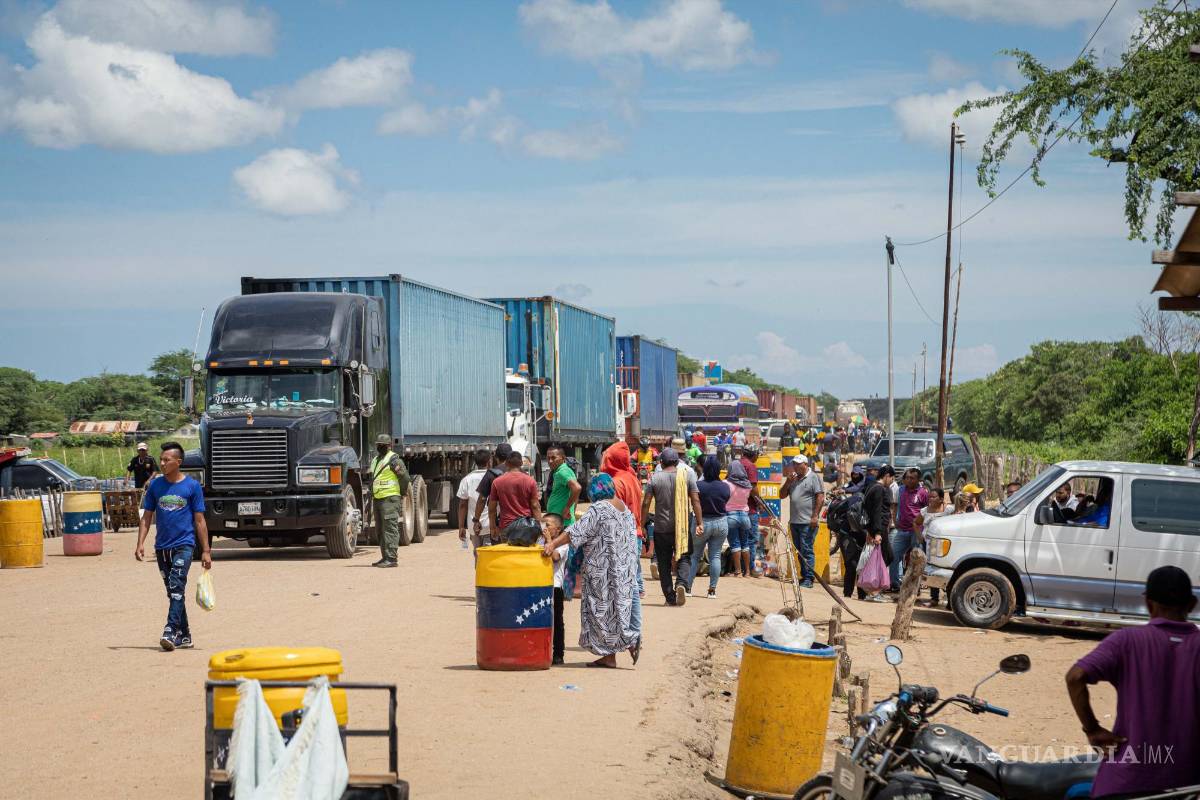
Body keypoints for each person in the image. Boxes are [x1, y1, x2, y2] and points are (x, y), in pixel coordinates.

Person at [1066, 565, 1200, 797]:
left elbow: (1075, 676)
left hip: (1125, 783)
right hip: (1187, 786)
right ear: (1191, 604)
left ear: (1148, 603)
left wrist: (1093, 729)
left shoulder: (1126, 641)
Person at [543, 474, 641, 668]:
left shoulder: (600, 508)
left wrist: (553, 543)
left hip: (602, 570)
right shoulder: (623, 508)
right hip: (622, 571)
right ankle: (609, 656)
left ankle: (628, 641)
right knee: (614, 612)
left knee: (599, 612)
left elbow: (575, 531)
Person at [135, 441, 211, 651]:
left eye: (167, 460)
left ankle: (170, 630)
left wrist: (205, 550)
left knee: (177, 587)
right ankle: (185, 636)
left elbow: (199, 520)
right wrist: (140, 543)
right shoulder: (156, 486)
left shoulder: (192, 486)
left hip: (184, 545)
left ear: (178, 462)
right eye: (161, 459)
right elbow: (147, 517)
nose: (162, 462)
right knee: (173, 592)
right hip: (162, 548)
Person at [641, 447, 703, 606]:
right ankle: (681, 583)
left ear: (661, 463)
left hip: (661, 528)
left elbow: (646, 502)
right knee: (684, 557)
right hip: (681, 527)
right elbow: (695, 500)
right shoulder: (687, 476)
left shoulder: (654, 478)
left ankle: (670, 597)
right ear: (677, 462)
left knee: (663, 562)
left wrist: (642, 524)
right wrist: (700, 522)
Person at [601, 441, 645, 600]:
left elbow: (611, 514)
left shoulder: (616, 482)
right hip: (635, 531)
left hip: (622, 536)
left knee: (627, 586)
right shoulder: (631, 475)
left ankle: (632, 624)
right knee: (631, 581)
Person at [781, 454, 824, 589]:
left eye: (799, 464)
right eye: (794, 464)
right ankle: (803, 575)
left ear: (806, 464)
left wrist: (815, 516)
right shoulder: (793, 479)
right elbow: (781, 495)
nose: (796, 466)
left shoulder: (813, 477)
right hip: (795, 522)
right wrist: (788, 482)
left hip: (807, 522)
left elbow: (820, 497)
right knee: (799, 551)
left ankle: (809, 579)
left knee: (806, 550)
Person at [370, 433, 411, 568]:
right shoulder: (376, 459)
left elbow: (404, 478)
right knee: (380, 530)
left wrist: (402, 493)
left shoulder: (394, 460)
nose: (380, 447)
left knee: (390, 528)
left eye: (383, 445)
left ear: (389, 446)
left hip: (390, 498)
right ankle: (384, 557)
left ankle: (392, 558)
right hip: (378, 498)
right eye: (378, 445)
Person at [692, 455, 730, 599]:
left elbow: (695, 502)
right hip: (720, 522)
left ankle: (688, 587)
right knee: (715, 556)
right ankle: (712, 590)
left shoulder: (699, 486)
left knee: (695, 556)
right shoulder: (725, 487)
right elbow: (726, 499)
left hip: (702, 522)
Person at [890, 468, 929, 592]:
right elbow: (895, 505)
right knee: (894, 557)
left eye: (912, 478)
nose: (908, 480)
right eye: (907, 477)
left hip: (916, 531)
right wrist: (895, 520)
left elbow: (927, 511)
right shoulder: (900, 490)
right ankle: (895, 584)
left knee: (917, 560)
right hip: (902, 530)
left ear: (918, 480)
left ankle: (916, 586)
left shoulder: (923, 493)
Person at [860, 465, 895, 602]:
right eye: (891, 479)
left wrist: (870, 530)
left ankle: (874, 590)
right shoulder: (880, 489)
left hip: (873, 529)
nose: (891, 482)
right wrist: (878, 533)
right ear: (887, 475)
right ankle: (874, 592)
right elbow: (877, 512)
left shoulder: (871, 487)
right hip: (879, 529)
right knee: (887, 556)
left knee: (881, 558)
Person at [488, 450, 542, 533]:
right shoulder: (530, 481)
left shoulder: (497, 482)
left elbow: (492, 509)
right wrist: (539, 527)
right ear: (521, 463)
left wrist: (492, 527)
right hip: (526, 526)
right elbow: (535, 506)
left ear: (506, 463)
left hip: (506, 526)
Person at [913, 490, 950, 606]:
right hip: (928, 543)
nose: (931, 499)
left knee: (942, 569)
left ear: (940, 499)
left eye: (934, 497)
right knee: (929, 569)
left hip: (943, 544)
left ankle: (948, 597)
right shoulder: (924, 511)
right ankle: (934, 598)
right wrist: (919, 536)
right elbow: (915, 522)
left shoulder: (947, 510)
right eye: (930, 497)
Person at [542, 513, 570, 665]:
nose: (544, 528)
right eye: (542, 525)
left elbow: (555, 557)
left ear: (558, 529)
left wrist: (549, 541)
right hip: (540, 586)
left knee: (557, 621)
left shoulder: (563, 544)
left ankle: (558, 653)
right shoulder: (539, 541)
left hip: (555, 587)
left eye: (547, 525)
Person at [472, 443, 512, 541]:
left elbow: (482, 499)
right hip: (522, 523)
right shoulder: (522, 474)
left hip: (501, 524)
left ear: (496, 457)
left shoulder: (491, 474)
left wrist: (476, 520)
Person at [723, 460, 756, 579]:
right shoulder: (747, 485)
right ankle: (747, 571)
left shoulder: (726, 484)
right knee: (745, 544)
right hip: (745, 515)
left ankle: (738, 571)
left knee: (735, 544)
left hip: (731, 516)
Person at [456, 449, 493, 552]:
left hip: (474, 527)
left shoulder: (467, 479)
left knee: (478, 555)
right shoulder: (494, 478)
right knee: (489, 557)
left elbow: (463, 505)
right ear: (489, 462)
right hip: (491, 526)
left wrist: (461, 527)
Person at [544, 446, 581, 525]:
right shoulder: (561, 470)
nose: (550, 461)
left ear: (563, 458)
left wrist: (567, 508)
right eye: (548, 458)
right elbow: (575, 494)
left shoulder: (562, 472)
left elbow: (577, 488)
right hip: (560, 521)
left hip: (562, 523)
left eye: (553, 458)